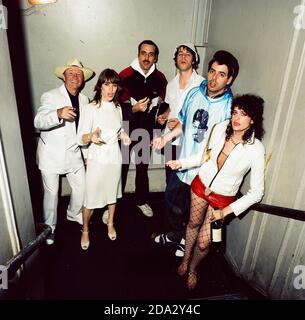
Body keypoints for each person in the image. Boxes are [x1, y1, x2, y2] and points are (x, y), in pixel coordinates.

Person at [166, 94, 265, 290]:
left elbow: (257, 192)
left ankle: (193, 268)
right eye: (234, 112)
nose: (236, 118)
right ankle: (185, 260)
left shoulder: (256, 149)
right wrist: (182, 163)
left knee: (204, 243)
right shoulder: (219, 129)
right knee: (193, 224)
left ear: (252, 119)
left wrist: (226, 211)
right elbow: (205, 156)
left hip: (222, 200)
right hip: (200, 185)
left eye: (243, 114)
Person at [152, 50, 239, 257]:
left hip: (204, 173)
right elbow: (182, 122)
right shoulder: (194, 93)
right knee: (171, 201)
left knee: (194, 213)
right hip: (181, 164)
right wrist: (165, 138)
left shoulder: (228, 108)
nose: (213, 78)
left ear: (229, 79)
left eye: (221, 74)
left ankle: (185, 238)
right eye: (212, 71)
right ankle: (175, 233)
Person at [34, 58, 94, 245]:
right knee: (51, 194)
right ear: (64, 77)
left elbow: (84, 131)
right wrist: (58, 113)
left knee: (82, 187)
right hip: (51, 155)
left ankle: (73, 213)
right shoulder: (50, 96)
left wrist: (86, 156)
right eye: (71, 73)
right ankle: (49, 229)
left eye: (78, 74)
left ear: (83, 79)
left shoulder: (85, 100)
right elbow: (38, 121)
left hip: (74, 154)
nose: (75, 77)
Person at [77, 69, 131, 250]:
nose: (111, 89)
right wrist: (90, 136)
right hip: (96, 159)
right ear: (100, 86)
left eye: (114, 85)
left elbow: (118, 129)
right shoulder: (89, 108)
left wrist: (123, 135)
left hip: (114, 158)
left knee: (112, 194)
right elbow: (80, 138)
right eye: (107, 84)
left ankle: (110, 223)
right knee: (90, 197)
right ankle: (85, 229)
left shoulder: (117, 108)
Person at [115, 39, 167, 218]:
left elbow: (162, 107)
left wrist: (158, 129)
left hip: (145, 132)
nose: (147, 57)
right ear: (138, 54)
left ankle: (141, 200)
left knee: (142, 168)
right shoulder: (124, 75)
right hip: (125, 130)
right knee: (120, 166)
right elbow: (114, 106)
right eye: (143, 53)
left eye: (151, 54)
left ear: (156, 58)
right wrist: (134, 108)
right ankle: (112, 203)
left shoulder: (160, 79)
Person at [156, 43, 204, 184]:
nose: (183, 57)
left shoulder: (202, 84)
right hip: (171, 139)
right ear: (176, 59)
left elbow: (202, 115)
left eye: (188, 54)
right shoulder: (171, 84)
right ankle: (170, 206)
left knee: (186, 183)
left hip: (190, 140)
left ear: (194, 60)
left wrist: (181, 122)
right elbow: (172, 107)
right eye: (180, 54)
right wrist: (165, 115)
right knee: (170, 180)